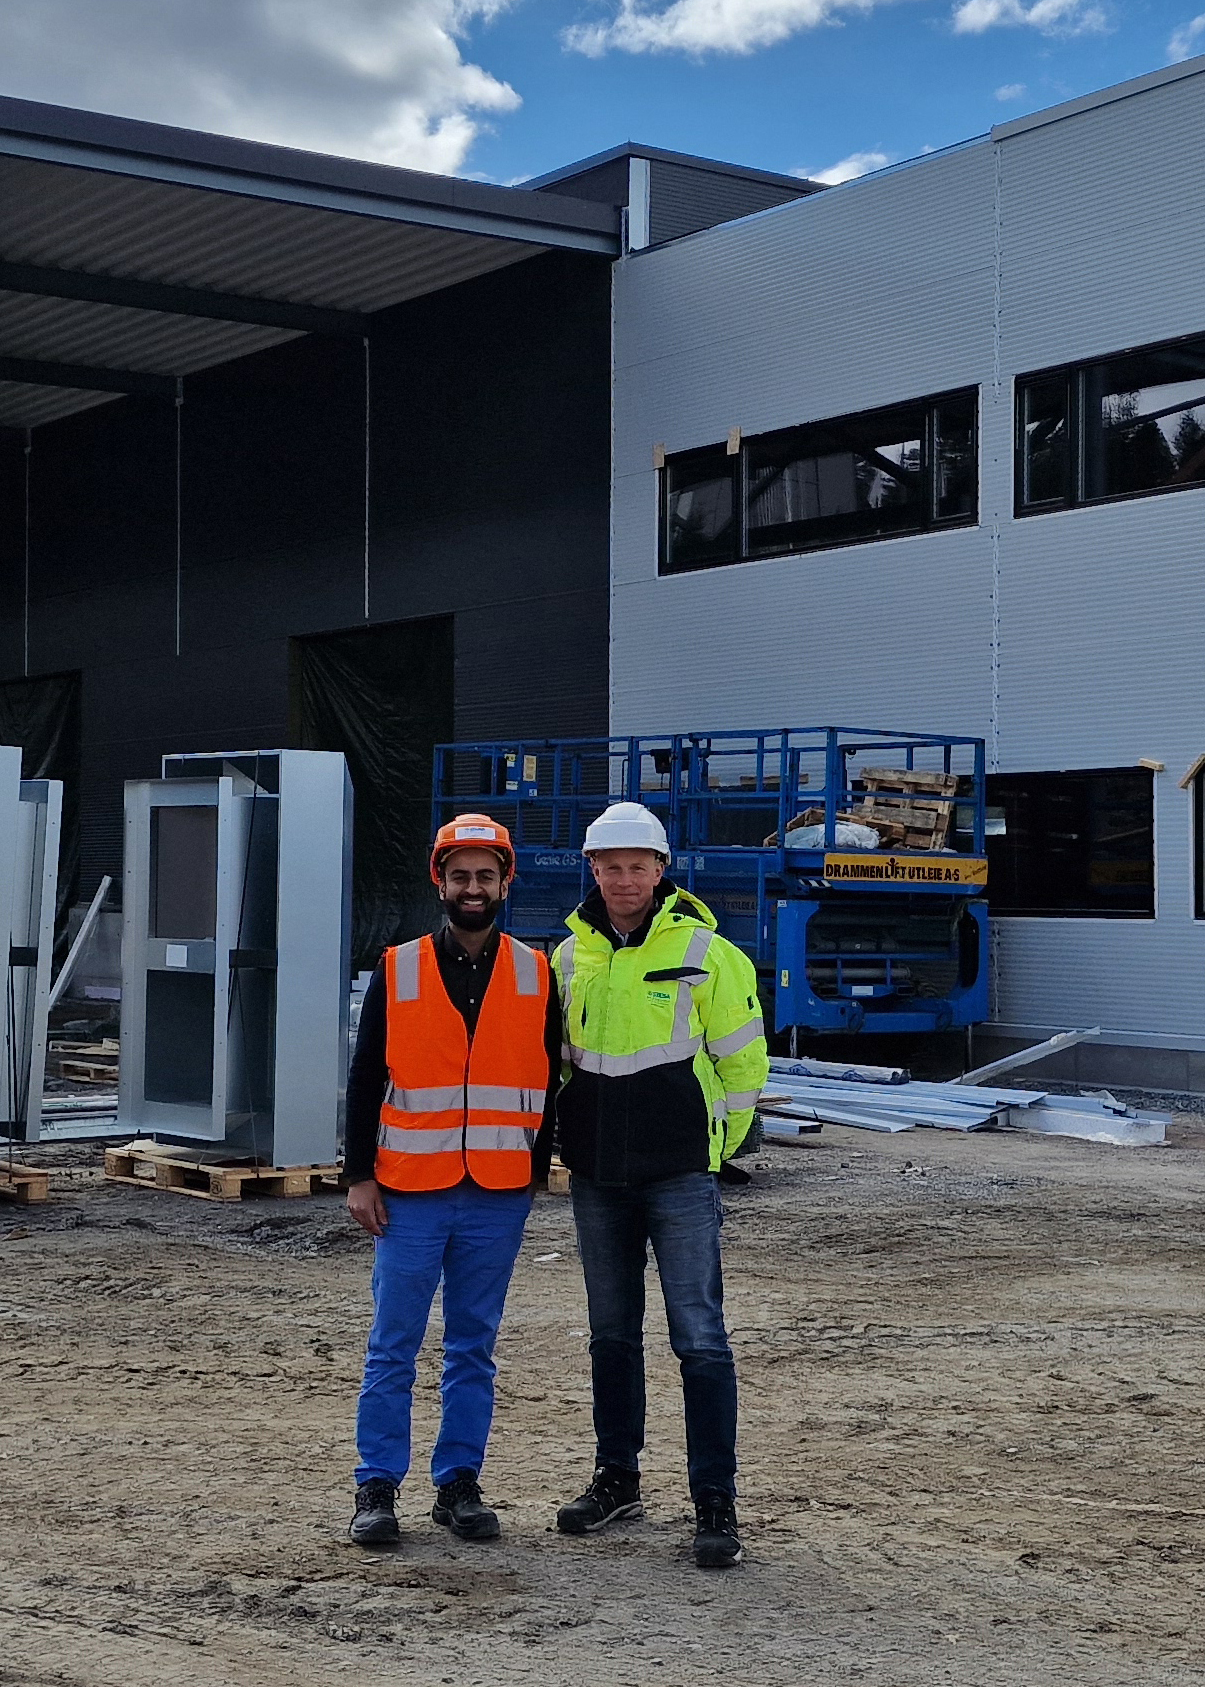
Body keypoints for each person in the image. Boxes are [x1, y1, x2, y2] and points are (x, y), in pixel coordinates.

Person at [551, 801, 769, 1569]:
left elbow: (745, 1064)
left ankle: (714, 1499)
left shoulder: (708, 951)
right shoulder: (568, 956)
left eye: (636, 866)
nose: (622, 880)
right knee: (610, 1334)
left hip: (679, 1176)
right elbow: (556, 1065)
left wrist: (716, 1148)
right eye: (608, 867)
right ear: (592, 870)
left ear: (660, 869)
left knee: (699, 1337)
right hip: (597, 1178)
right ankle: (618, 1479)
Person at [344, 813, 559, 1548]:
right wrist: (357, 1175)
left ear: (506, 883)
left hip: (497, 1190)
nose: (473, 888)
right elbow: (366, 1073)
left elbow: (550, 1081)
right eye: (460, 875)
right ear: (440, 881)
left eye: (485, 875)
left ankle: (458, 1483)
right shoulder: (397, 966)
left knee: (473, 1344)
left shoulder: (538, 971)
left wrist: (533, 1167)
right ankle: (376, 1485)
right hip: (409, 1187)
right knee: (393, 1342)